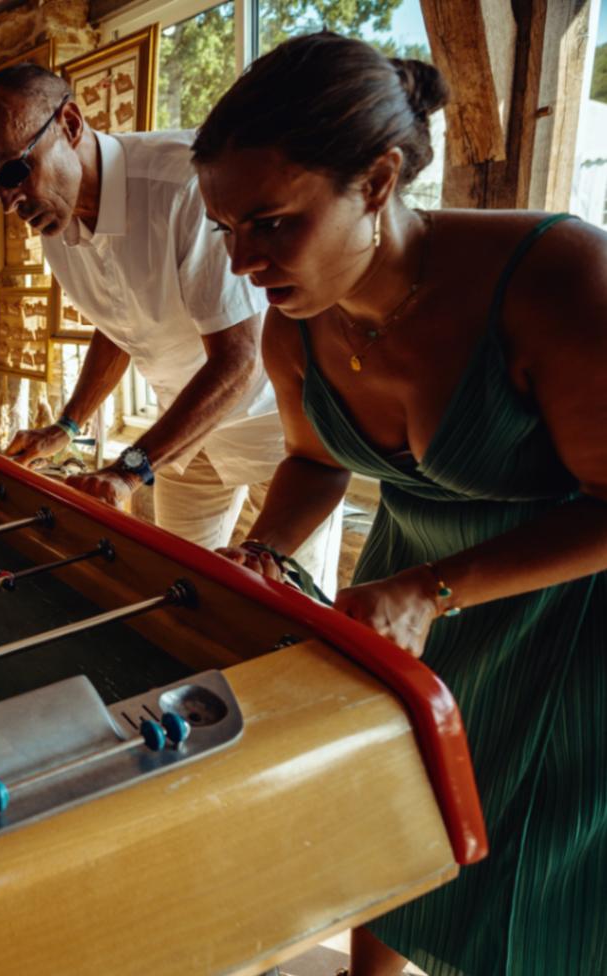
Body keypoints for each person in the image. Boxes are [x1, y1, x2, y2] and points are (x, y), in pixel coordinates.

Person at [191, 32, 607, 976]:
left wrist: (434, 590)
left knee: (523, 883)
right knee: (390, 820)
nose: (244, 260)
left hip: (566, 618)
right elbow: (313, 461)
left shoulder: (558, 281)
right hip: (406, 593)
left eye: (271, 222)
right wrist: (265, 550)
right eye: (226, 231)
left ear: (377, 181)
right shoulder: (294, 327)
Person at [0, 64, 342, 593]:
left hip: (275, 432)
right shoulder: (55, 226)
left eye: (13, 173)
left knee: (293, 609)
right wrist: (68, 426)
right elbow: (120, 323)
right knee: (180, 592)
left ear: (70, 124)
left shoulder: (186, 184)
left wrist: (128, 468)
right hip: (185, 431)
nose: (8, 203)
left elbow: (240, 359)